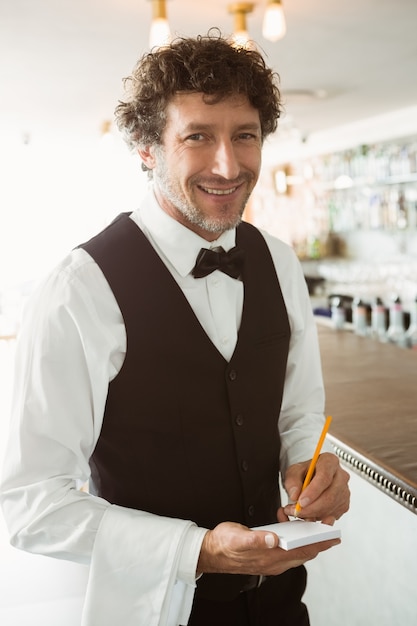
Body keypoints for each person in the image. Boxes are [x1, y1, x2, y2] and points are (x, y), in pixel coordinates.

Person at [0, 30, 350, 626]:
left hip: (282, 606)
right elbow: (30, 506)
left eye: (245, 136)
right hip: (154, 610)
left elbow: (297, 414)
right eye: (197, 137)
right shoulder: (78, 290)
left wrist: (311, 468)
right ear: (146, 150)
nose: (228, 165)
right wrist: (201, 552)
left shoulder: (280, 263)